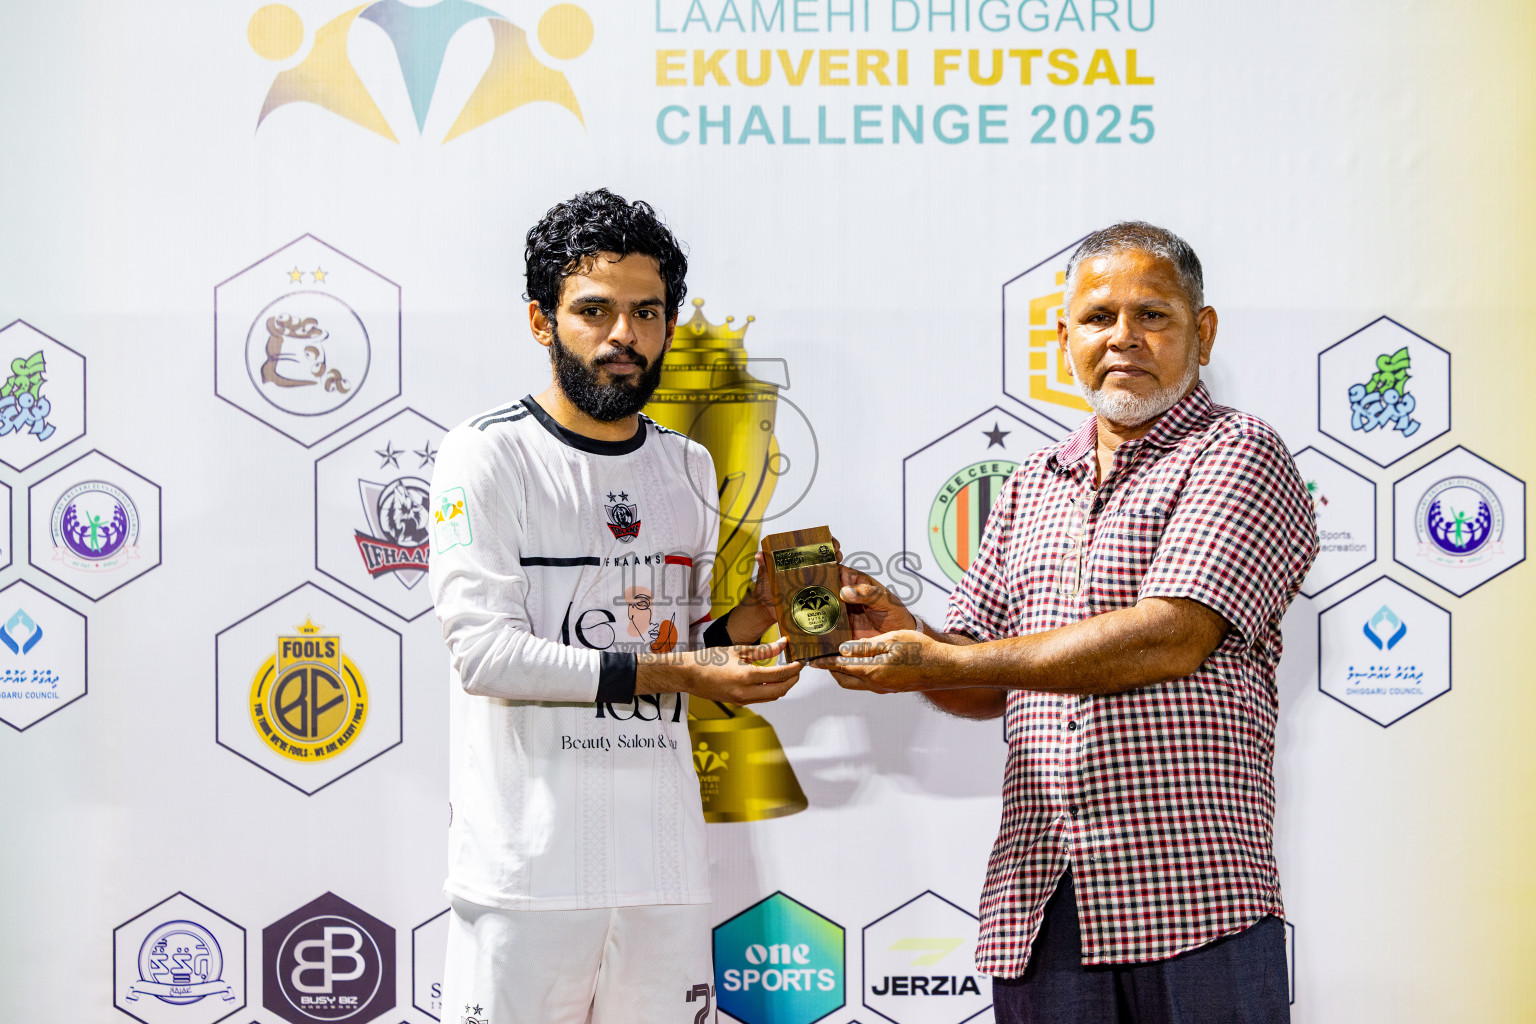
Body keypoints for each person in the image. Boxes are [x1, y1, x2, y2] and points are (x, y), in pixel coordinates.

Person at [830, 222, 1317, 1023]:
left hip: (1194, 900)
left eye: (1152, 314)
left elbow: (1171, 636)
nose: (1123, 337)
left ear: (1203, 332)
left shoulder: (1237, 452)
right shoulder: (1031, 484)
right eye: (1097, 317)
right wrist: (904, 633)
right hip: (1043, 902)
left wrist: (944, 661)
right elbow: (977, 679)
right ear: (1064, 341)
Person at [428, 189, 796, 1024]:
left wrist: (753, 617)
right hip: (527, 875)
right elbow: (486, 655)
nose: (623, 335)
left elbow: (677, 646)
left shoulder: (688, 466)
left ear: (669, 324)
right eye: (594, 310)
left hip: (663, 870)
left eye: (646, 312)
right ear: (541, 321)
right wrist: (682, 669)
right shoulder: (485, 455)